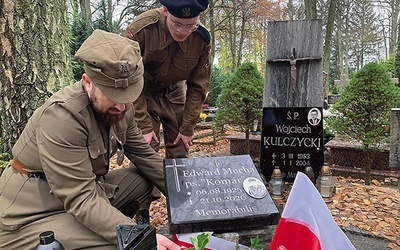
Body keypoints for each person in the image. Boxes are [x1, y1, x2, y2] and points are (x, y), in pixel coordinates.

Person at [0, 29, 181, 250]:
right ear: (88, 82)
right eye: (113, 97)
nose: (122, 106)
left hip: (88, 193)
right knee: (117, 244)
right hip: (33, 212)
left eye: (129, 96)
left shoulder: (123, 109)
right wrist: (138, 238)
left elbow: (146, 158)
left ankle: (106, 225)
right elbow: (81, 198)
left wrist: (191, 194)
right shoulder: (62, 117)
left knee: (144, 179)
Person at [124, 0, 212, 225]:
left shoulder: (201, 39)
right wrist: (143, 126)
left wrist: (188, 127)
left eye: (190, 25)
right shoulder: (141, 30)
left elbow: (198, 86)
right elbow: (127, 78)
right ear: (165, 12)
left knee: (180, 148)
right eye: (177, 24)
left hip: (174, 92)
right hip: (141, 90)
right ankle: (141, 210)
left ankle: (182, 210)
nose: (184, 31)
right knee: (146, 150)